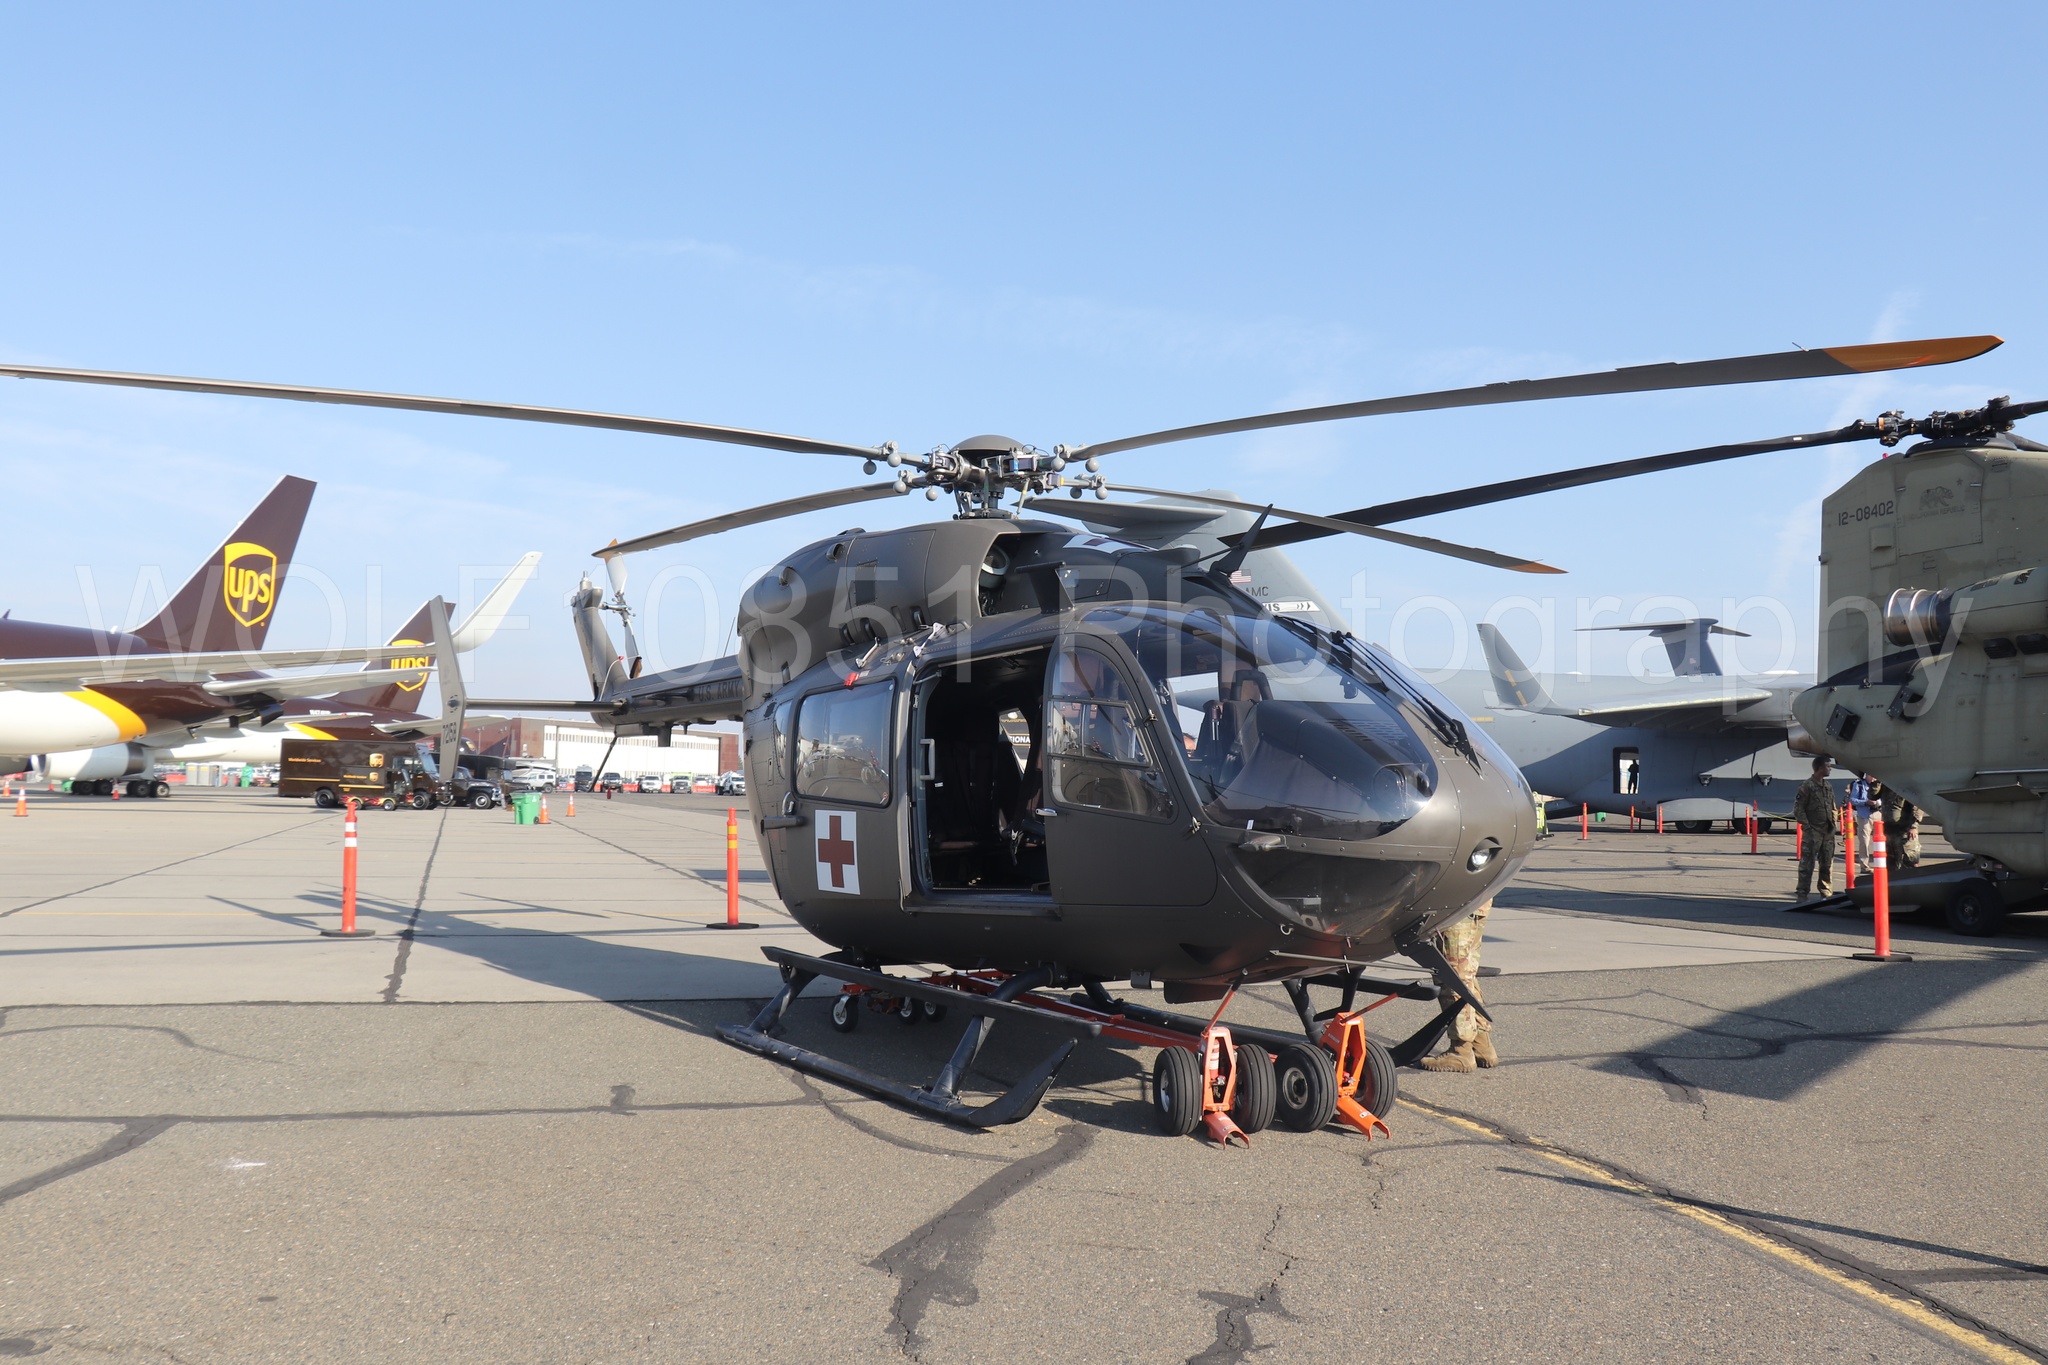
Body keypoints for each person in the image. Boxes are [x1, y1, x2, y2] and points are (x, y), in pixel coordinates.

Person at [1419, 899, 1496, 1072]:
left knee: (1451, 978)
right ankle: (1481, 1044)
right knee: (1467, 974)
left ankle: (1461, 1050)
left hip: (1456, 907)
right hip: (1478, 902)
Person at [1793, 757, 1838, 900]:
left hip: (1827, 832)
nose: (1830, 768)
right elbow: (1798, 809)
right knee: (1807, 865)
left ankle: (1826, 891)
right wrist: (1807, 827)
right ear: (1820, 768)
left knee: (1827, 863)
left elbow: (1833, 807)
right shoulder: (1807, 786)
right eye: (1828, 766)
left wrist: (1833, 823)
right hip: (1814, 832)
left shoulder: (1828, 786)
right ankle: (1802, 893)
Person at [1879, 783, 1922, 869]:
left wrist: (1914, 826)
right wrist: (1875, 783)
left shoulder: (1905, 782)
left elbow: (1917, 805)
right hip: (1889, 830)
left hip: (1904, 829)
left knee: (1909, 860)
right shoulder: (1885, 783)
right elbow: (1872, 796)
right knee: (1891, 861)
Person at [1847, 772, 1875, 874]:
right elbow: (1853, 800)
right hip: (1864, 815)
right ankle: (1865, 866)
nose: (1873, 778)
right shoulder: (1858, 784)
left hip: (1877, 814)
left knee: (1880, 842)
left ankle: (1881, 864)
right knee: (1864, 841)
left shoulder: (1879, 785)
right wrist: (1865, 802)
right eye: (1871, 775)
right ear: (1866, 775)